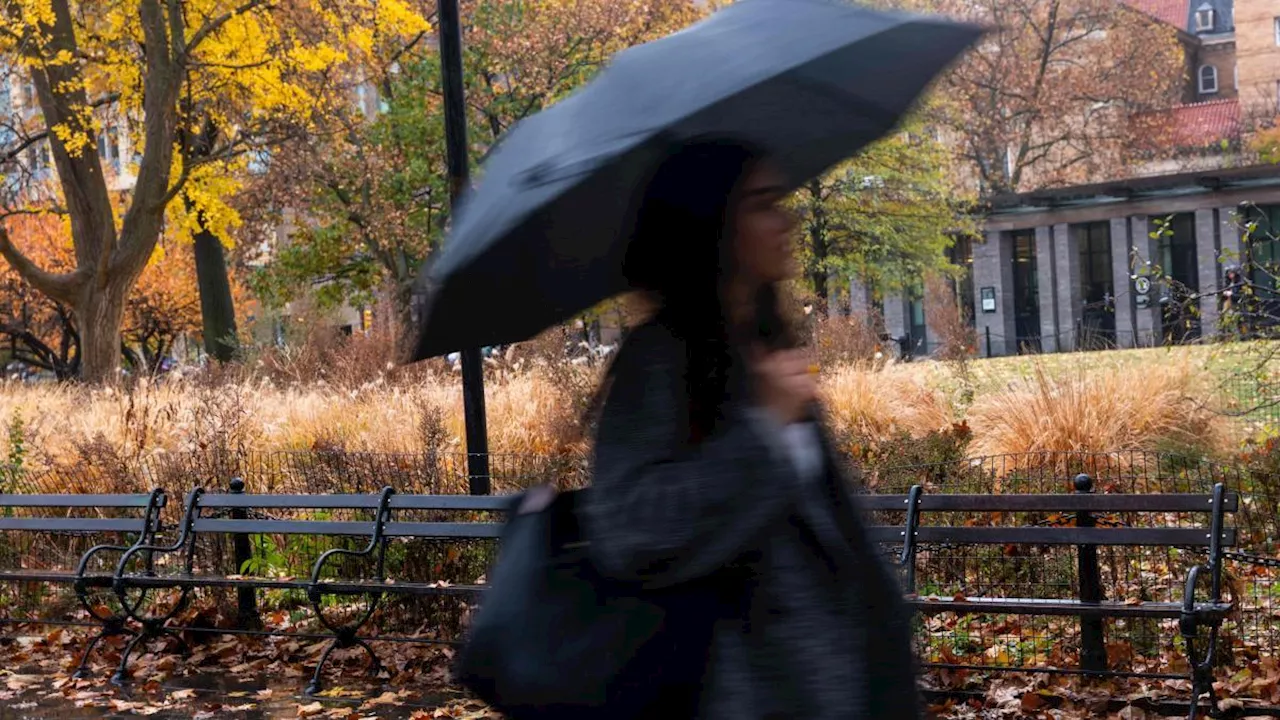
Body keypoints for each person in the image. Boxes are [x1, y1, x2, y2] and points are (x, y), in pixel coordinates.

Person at [582, 139, 920, 720]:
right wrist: (763, 431)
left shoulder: (763, 345)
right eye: (763, 203)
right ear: (714, 223)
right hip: (736, 692)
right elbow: (631, 528)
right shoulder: (660, 360)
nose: (787, 219)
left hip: (827, 687)